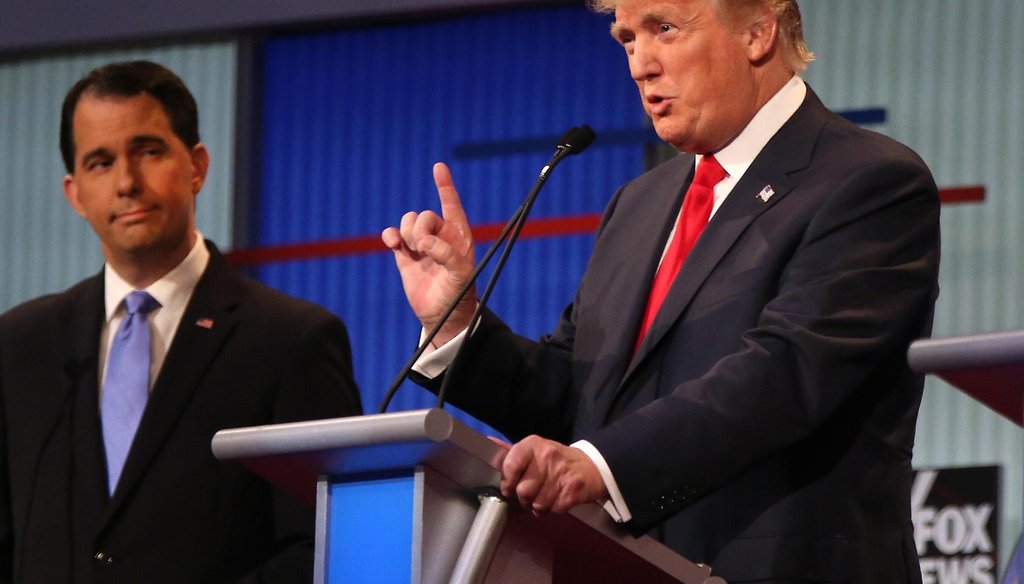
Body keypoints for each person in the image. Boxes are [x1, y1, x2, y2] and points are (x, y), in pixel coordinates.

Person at [382, 0, 940, 581]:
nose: (639, 65)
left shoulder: (868, 181)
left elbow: (785, 374)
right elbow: (580, 394)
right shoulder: (638, 204)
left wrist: (597, 468)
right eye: (627, 39)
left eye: (664, 30)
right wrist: (456, 321)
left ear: (758, 33)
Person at [0, 60, 362, 583]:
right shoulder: (20, 346)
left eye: (148, 152)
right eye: (100, 163)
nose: (126, 182)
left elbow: (326, 549)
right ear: (74, 193)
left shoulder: (290, 341)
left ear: (196, 166)